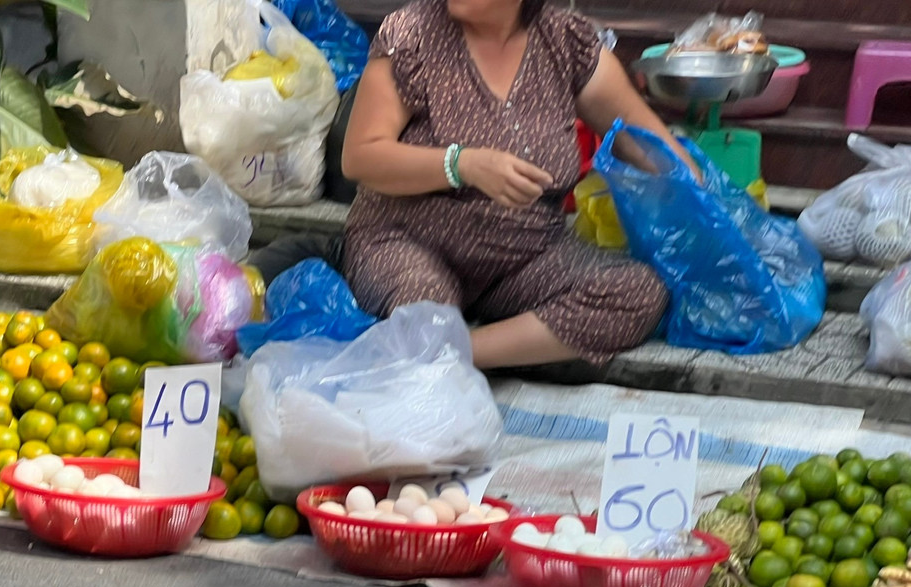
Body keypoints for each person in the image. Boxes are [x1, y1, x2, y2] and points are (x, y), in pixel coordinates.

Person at [255, 0, 695, 370]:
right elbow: (361, 156)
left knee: (640, 292)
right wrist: (461, 164)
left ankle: (463, 352)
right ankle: (440, 341)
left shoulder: (565, 42)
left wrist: (699, 191)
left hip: (524, 261)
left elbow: (643, 138)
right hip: (404, 243)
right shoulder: (412, 35)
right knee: (425, 310)